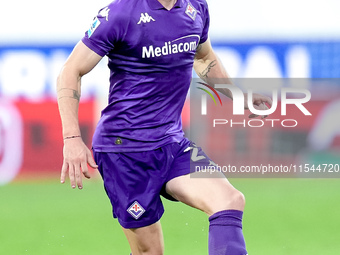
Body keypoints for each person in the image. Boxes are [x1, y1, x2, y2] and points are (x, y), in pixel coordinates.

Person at [57, 0, 272, 254]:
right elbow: (70, 70)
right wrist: (71, 138)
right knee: (150, 251)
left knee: (229, 201)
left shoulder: (196, 7)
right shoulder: (121, 13)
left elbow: (204, 59)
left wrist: (239, 96)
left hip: (172, 143)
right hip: (125, 151)